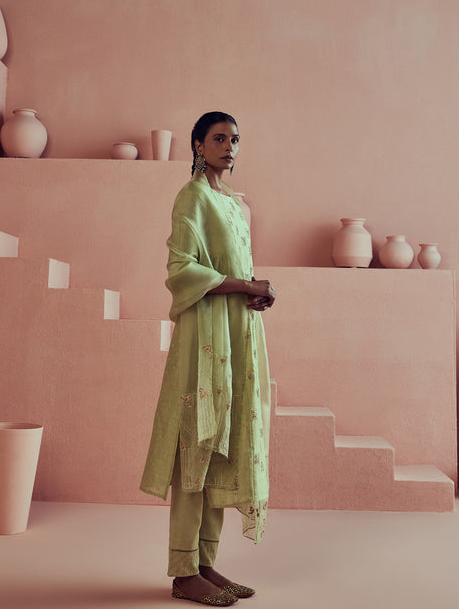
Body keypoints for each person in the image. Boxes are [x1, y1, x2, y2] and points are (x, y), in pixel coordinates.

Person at [140, 111, 276, 606]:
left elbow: (237, 268)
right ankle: (182, 572)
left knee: (225, 445)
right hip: (205, 341)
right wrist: (244, 285)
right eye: (219, 138)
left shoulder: (233, 204)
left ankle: (205, 563)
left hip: (236, 337)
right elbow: (182, 267)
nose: (230, 146)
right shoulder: (193, 196)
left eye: (236, 139)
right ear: (198, 144)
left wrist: (255, 294)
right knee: (198, 446)